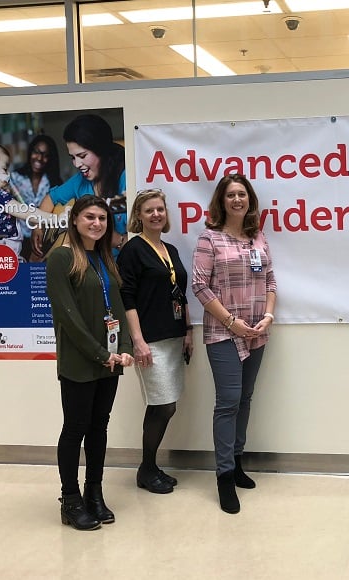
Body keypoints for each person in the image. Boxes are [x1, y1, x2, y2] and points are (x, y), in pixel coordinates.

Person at [46, 195, 134, 531]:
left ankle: (93, 493)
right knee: (75, 428)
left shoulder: (105, 258)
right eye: (90, 217)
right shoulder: (61, 259)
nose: (97, 223)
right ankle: (70, 500)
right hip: (81, 360)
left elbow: (119, 310)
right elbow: (68, 317)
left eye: (102, 218)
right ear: (76, 219)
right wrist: (101, 353)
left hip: (109, 360)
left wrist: (123, 347)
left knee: (99, 427)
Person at [191, 174, 276, 515]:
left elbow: (270, 280)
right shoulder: (209, 238)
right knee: (227, 402)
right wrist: (231, 322)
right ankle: (224, 476)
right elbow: (199, 286)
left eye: (242, 194)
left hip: (256, 331)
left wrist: (267, 317)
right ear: (221, 201)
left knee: (245, 399)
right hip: (223, 332)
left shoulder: (259, 238)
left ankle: (237, 462)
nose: (237, 200)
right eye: (231, 195)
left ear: (249, 200)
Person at [117, 189, 193, 495]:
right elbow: (127, 298)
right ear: (139, 215)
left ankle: (149, 467)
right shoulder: (132, 250)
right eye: (149, 210)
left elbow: (180, 293)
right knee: (163, 405)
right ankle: (146, 468)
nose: (156, 215)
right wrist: (137, 340)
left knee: (165, 405)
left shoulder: (170, 250)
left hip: (173, 337)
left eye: (160, 209)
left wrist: (188, 331)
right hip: (150, 341)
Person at [32, 114, 127, 259]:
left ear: (101, 150)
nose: (76, 164)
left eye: (82, 156)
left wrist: (118, 241)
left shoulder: (126, 177)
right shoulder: (79, 181)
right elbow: (51, 198)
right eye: (73, 157)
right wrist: (38, 227)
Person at [8, 135, 62, 261]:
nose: (39, 158)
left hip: (42, 240)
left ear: (50, 159)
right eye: (36, 152)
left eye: (45, 155)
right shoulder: (14, 178)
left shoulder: (55, 183)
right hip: (16, 238)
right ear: (30, 152)